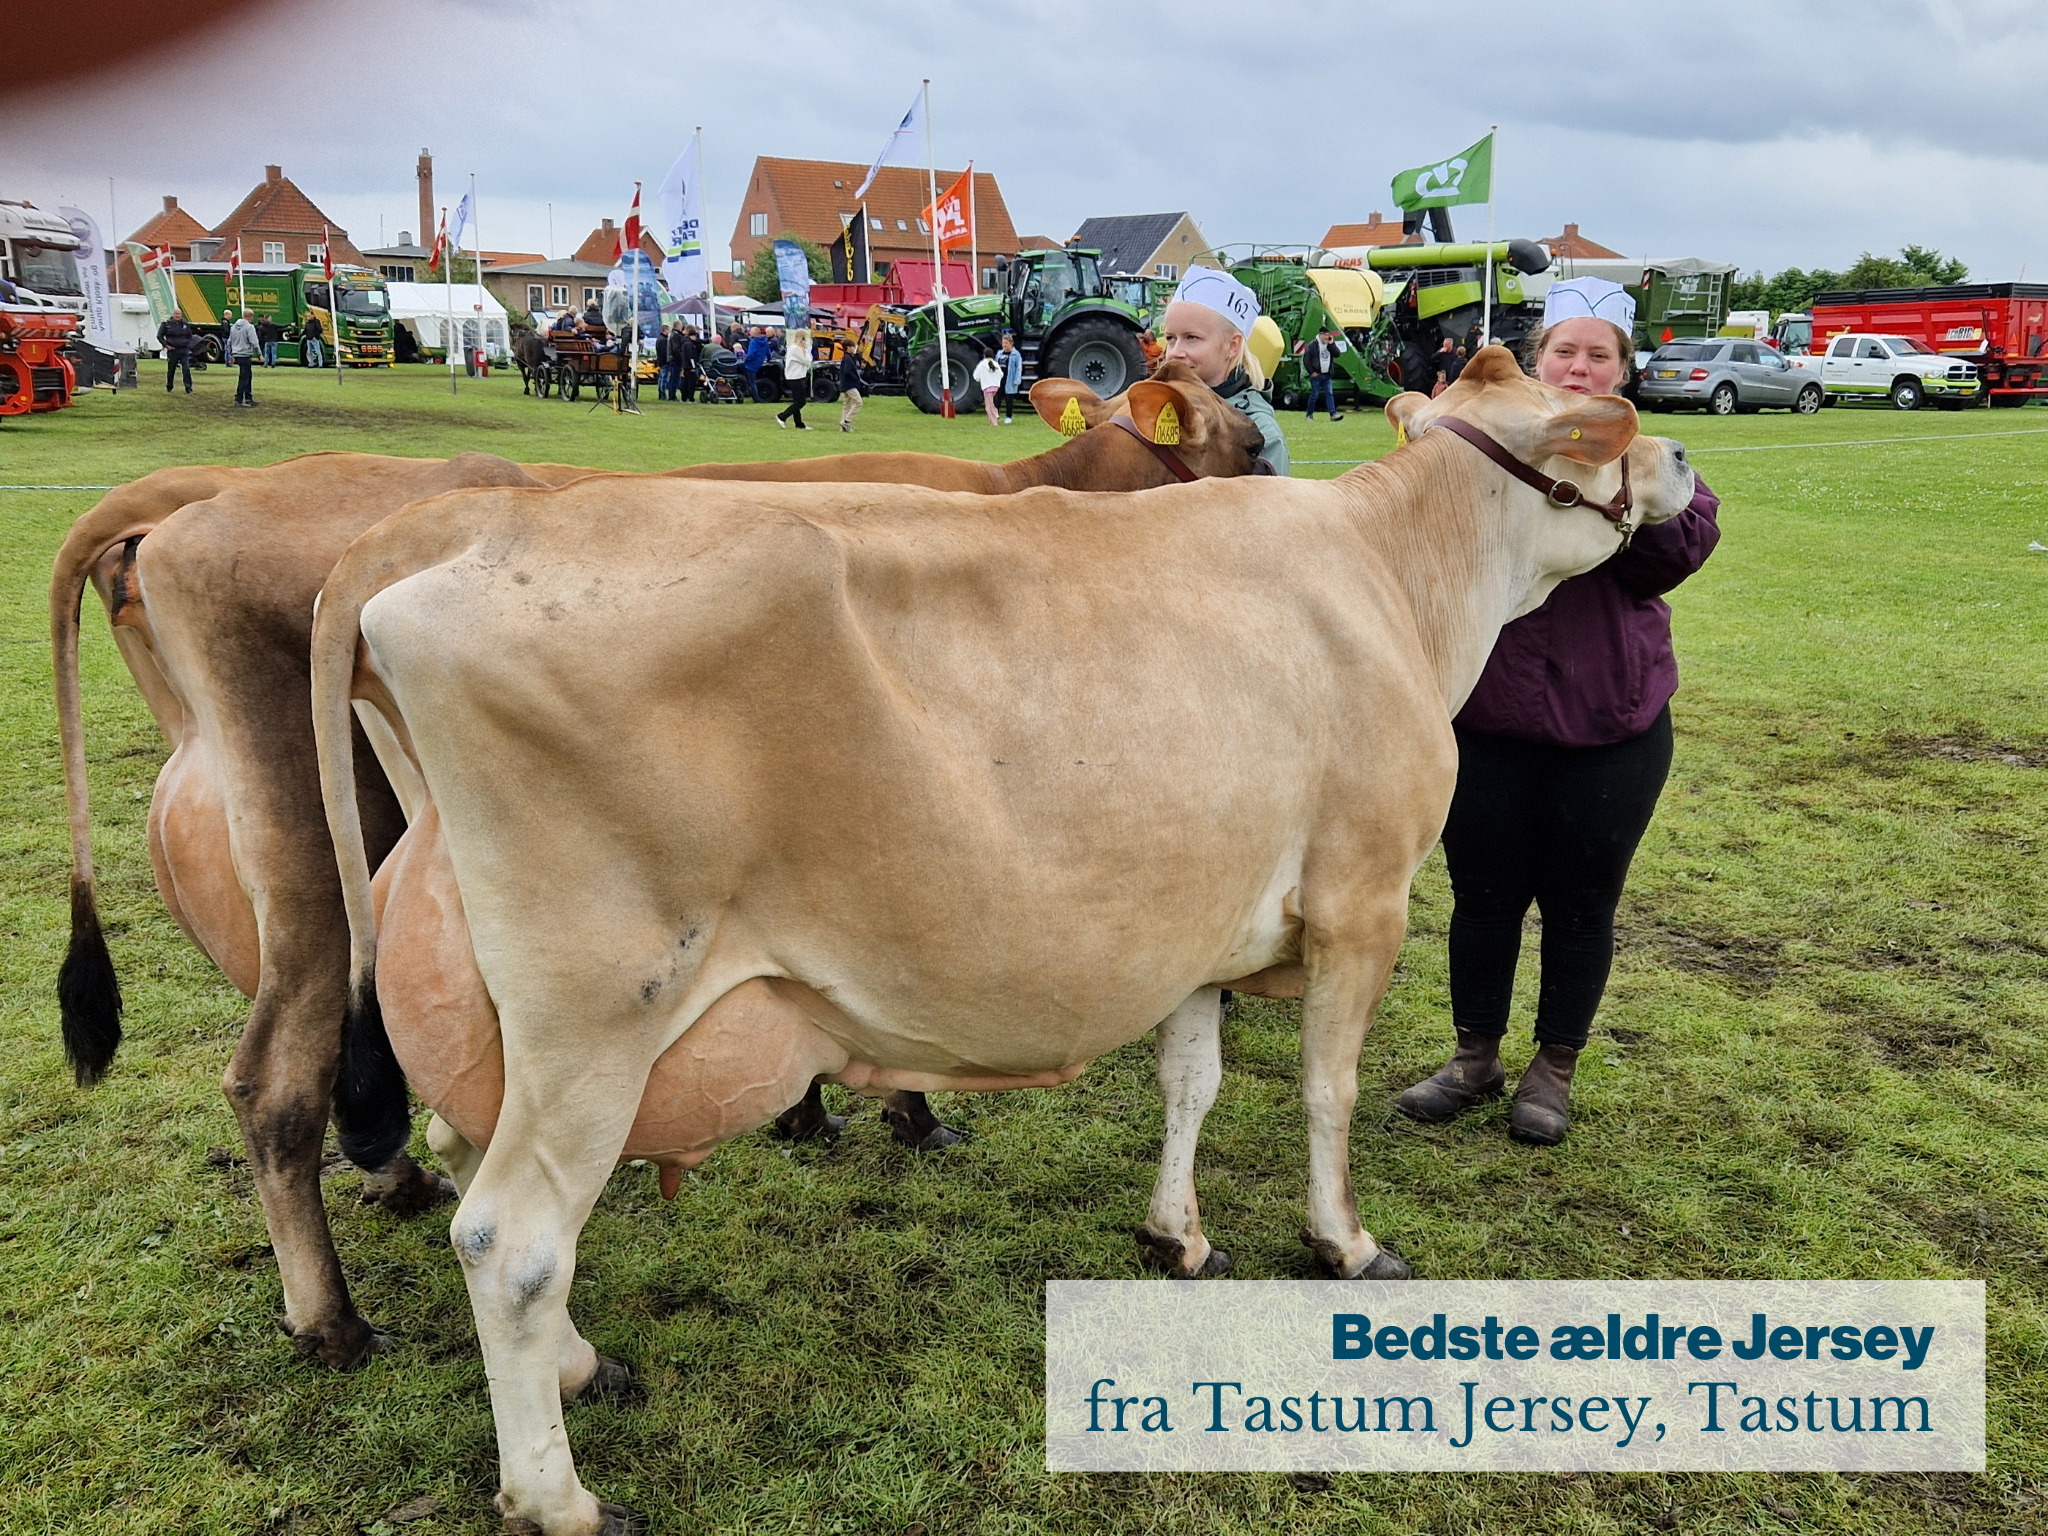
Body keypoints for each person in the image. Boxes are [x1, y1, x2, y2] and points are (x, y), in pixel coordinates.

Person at [1394, 277, 1722, 1146]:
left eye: (1598, 354)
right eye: (1563, 352)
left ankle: (1554, 1069)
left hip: (1609, 717)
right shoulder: (1489, 446)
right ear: (1538, 362)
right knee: (1484, 895)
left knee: (1582, 903)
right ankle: (1474, 1058)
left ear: (1625, 369)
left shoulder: (1646, 457)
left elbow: (1679, 550)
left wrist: (1604, 479)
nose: (1579, 367)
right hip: (1490, 713)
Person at [1158, 267, 1288, 475]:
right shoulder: (1158, 410)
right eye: (1171, 339)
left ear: (1232, 346)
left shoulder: (1258, 433)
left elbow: (1265, 506)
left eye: (1192, 338)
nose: (1175, 352)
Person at [1300, 326, 1344, 421]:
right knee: (1314, 395)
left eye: (1329, 335)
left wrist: (1332, 344)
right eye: (1326, 335)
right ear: (1321, 335)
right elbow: (1306, 360)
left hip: (1327, 374)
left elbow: (1337, 354)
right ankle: (1309, 414)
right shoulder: (1312, 345)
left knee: (1329, 394)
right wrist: (1311, 372)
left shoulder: (1329, 344)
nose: (1327, 337)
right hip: (1317, 375)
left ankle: (1333, 414)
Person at [775, 331, 811, 429]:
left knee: (797, 401)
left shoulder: (796, 348)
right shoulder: (796, 349)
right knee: (801, 401)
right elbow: (807, 361)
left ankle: (799, 424)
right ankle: (782, 416)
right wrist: (806, 351)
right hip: (795, 377)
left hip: (796, 376)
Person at [226, 308, 261, 407]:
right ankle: (239, 399)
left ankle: (248, 397)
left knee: (246, 376)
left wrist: (231, 354)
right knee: (245, 377)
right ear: (251, 317)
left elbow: (229, 342)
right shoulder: (249, 327)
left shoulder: (233, 327)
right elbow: (254, 342)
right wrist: (259, 354)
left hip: (237, 354)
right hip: (245, 354)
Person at [157, 309, 196, 393]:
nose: (178, 315)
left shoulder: (185, 324)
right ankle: (169, 386)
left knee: (186, 369)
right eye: (176, 314)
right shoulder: (166, 324)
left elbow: (190, 336)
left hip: (184, 350)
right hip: (173, 350)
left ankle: (188, 388)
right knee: (171, 370)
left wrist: (189, 346)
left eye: (179, 314)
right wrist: (166, 345)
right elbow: (159, 336)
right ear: (173, 314)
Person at [837, 344, 866, 432]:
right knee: (858, 402)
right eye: (853, 347)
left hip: (844, 385)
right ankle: (846, 421)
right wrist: (856, 379)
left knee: (847, 405)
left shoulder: (846, 358)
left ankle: (843, 428)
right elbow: (848, 371)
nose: (854, 349)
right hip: (850, 385)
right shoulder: (848, 358)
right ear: (848, 347)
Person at [972, 346, 1004, 425]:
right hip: (995, 387)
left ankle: (994, 420)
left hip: (987, 387)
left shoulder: (982, 364)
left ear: (984, 355)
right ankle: (993, 418)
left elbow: (976, 376)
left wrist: (981, 379)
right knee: (991, 403)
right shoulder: (995, 363)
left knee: (988, 406)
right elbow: (1001, 374)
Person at [742, 327, 774, 403]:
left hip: (751, 364)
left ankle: (756, 399)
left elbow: (751, 354)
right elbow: (768, 353)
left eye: (750, 332)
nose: (749, 333)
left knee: (752, 382)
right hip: (759, 363)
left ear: (754, 333)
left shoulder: (753, 342)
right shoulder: (765, 341)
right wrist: (769, 359)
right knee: (754, 381)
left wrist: (745, 360)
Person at [998, 331, 1023, 423]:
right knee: (997, 398)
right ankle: (995, 415)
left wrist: (1017, 380)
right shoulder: (999, 354)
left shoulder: (1016, 355)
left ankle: (1008, 417)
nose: (1004, 345)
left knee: (1009, 399)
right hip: (1000, 379)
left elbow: (1018, 368)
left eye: (1006, 343)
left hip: (1010, 380)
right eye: (1003, 343)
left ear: (1011, 343)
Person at [653, 323, 675, 401]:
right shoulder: (664, 340)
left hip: (661, 361)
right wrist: (668, 360)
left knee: (662, 377)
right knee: (664, 378)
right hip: (664, 361)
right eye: (668, 330)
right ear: (665, 330)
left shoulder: (659, 339)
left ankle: (661, 393)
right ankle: (662, 394)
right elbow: (664, 352)